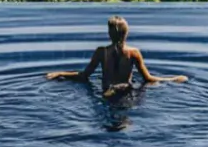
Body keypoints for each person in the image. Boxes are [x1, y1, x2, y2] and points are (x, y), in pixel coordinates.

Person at [45, 15, 188, 97]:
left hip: (106, 90)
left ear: (109, 34)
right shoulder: (134, 52)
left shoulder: (101, 52)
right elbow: (148, 79)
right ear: (127, 33)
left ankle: (111, 91)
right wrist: (173, 79)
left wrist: (60, 73)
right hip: (126, 91)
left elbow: (84, 76)